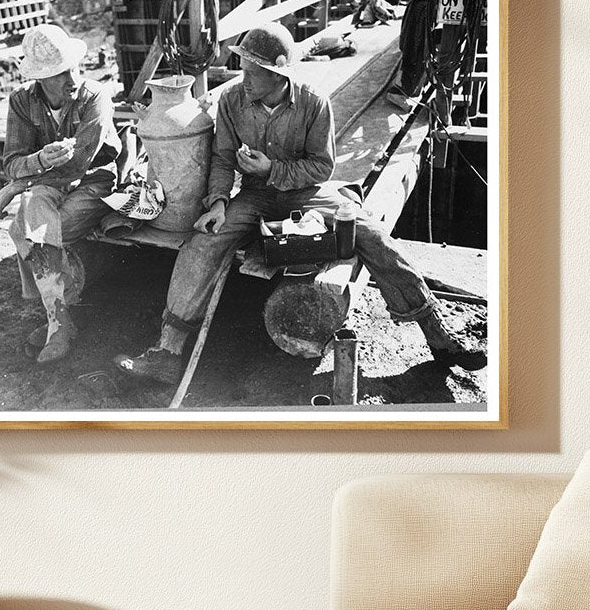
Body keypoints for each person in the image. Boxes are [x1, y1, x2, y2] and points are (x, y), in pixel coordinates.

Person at [113, 21, 480, 385]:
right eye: (243, 70)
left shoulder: (313, 103)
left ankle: (436, 333)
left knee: (371, 234)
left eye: (253, 73)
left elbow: (322, 167)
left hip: (306, 193)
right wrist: (219, 203)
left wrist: (272, 168)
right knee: (202, 243)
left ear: (278, 75)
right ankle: (167, 351)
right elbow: (222, 158)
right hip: (255, 196)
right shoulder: (232, 101)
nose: (244, 80)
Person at [0, 24, 121, 363]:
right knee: (31, 217)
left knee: (30, 230)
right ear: (40, 78)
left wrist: (18, 185)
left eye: (73, 68)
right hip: (49, 182)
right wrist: (38, 160)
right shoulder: (22, 100)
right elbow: (11, 162)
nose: (72, 79)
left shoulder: (94, 95)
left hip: (94, 181)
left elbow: (79, 163)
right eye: (59, 73)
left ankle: (57, 320)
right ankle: (60, 322)